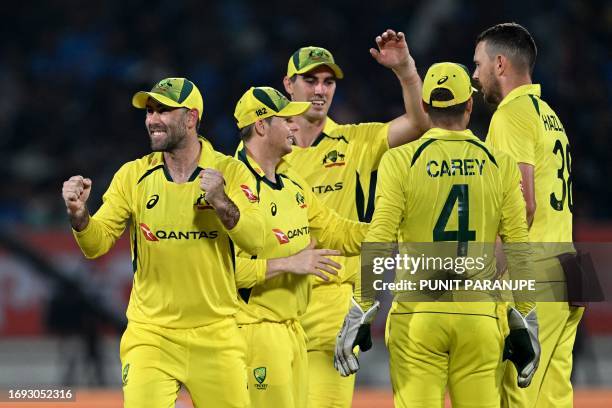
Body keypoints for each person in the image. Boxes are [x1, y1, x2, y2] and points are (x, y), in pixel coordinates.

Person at [335, 62, 539, 407]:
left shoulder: (400, 160)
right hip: (479, 317)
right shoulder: (500, 163)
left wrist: (362, 307)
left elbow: (380, 237)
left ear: (425, 108)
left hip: (418, 317)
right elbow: (518, 243)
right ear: (470, 106)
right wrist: (525, 317)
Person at [61, 77, 264, 408]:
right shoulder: (133, 176)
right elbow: (95, 245)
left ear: (191, 118)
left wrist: (222, 202)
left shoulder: (231, 172)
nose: (152, 119)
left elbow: (257, 240)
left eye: (163, 110)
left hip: (218, 334)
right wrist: (79, 214)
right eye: (149, 111)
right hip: (151, 336)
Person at [280, 29, 430, 407]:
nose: (320, 90)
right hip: (273, 304)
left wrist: (406, 72)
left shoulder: (357, 141)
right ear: (288, 85)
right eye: (310, 80)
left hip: (332, 306)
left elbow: (419, 122)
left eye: (328, 82)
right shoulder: (262, 145)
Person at [231, 86, 369, 408]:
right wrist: (289, 263)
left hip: (292, 329)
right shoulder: (232, 186)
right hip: (254, 331)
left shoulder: (291, 183)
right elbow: (221, 270)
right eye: (287, 120)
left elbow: (336, 231)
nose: (296, 126)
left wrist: (392, 228)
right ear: (262, 126)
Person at [473, 22, 583, 408]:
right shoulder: (549, 115)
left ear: (500, 64)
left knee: (515, 395)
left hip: (533, 275)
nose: (474, 75)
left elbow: (522, 205)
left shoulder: (511, 114)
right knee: (552, 396)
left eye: (478, 64)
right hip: (568, 268)